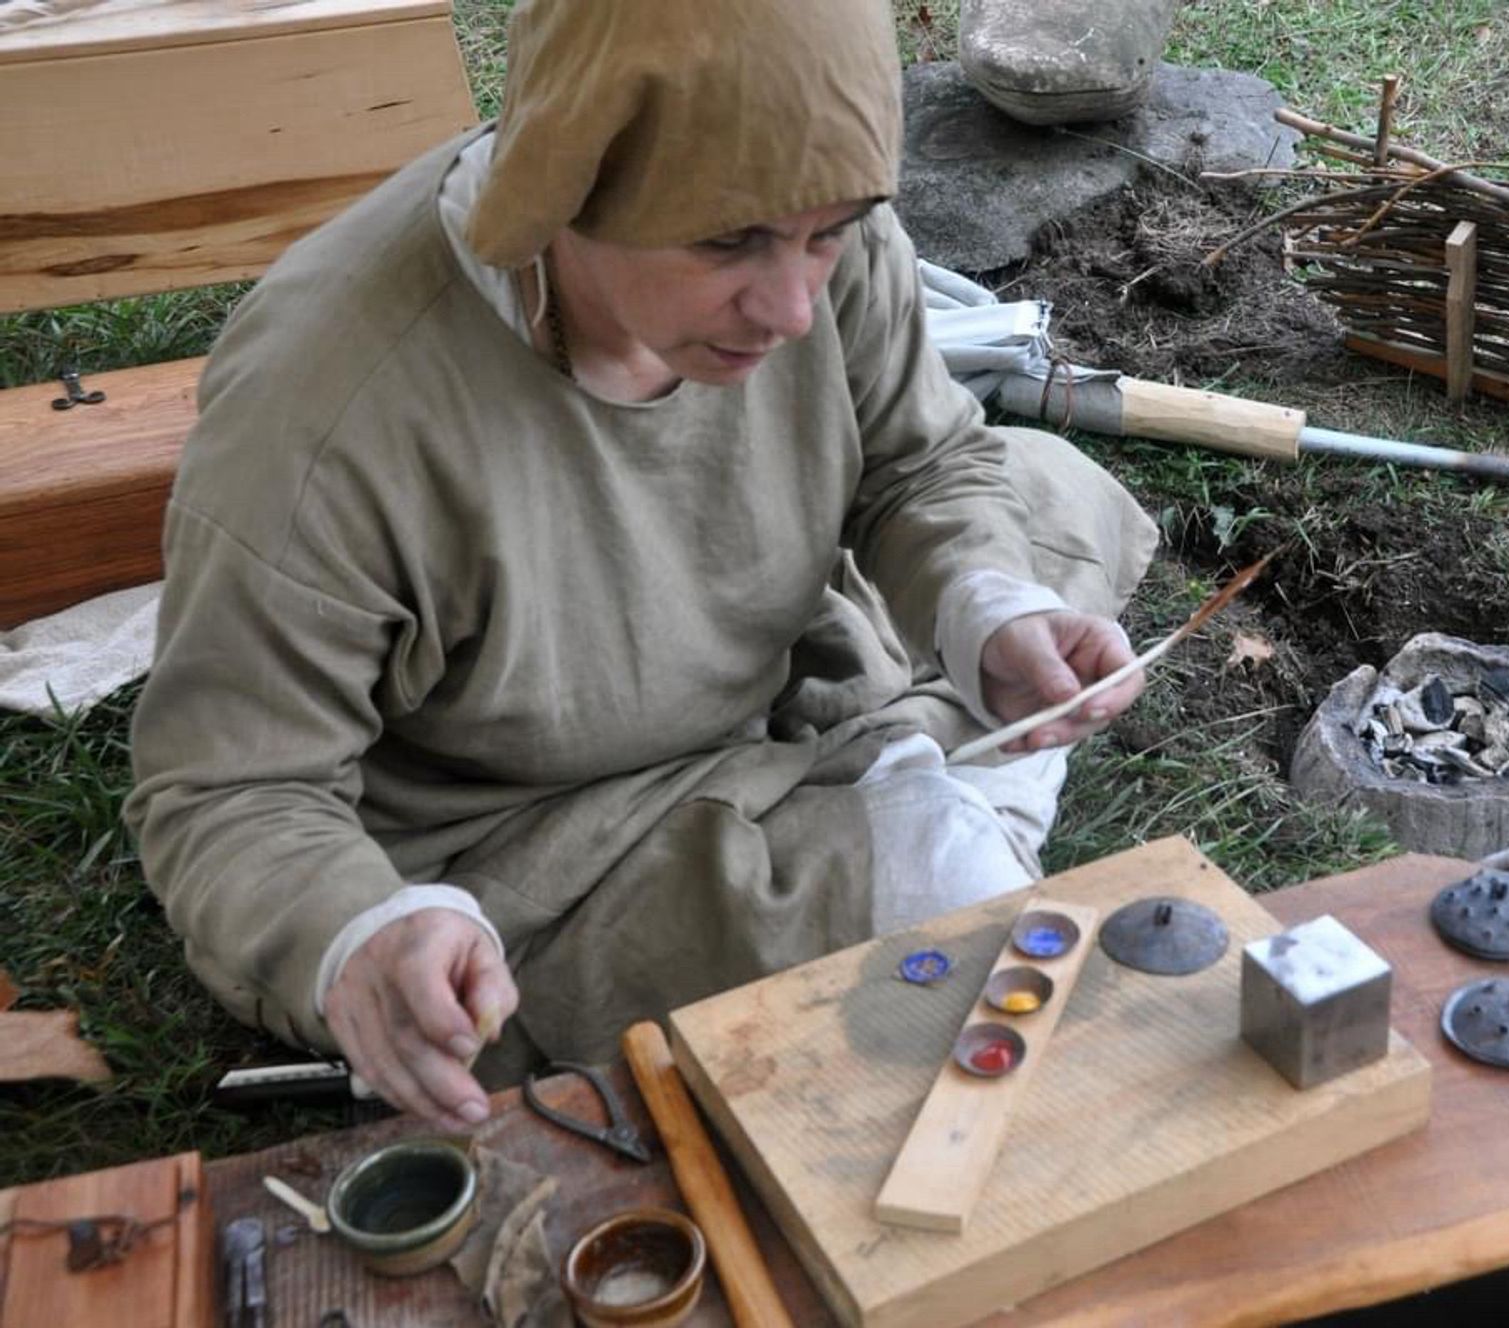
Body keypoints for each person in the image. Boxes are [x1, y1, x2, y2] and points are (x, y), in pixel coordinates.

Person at [125, 0, 1156, 1131]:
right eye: (728, 243)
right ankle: (916, 794)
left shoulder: (809, 229)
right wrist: (356, 933)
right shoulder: (328, 410)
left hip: (778, 668)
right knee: (944, 889)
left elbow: (921, 465)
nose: (791, 307)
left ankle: (913, 767)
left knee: (1047, 494)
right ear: (566, 184)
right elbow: (230, 788)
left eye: (829, 233)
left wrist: (984, 610)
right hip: (537, 837)